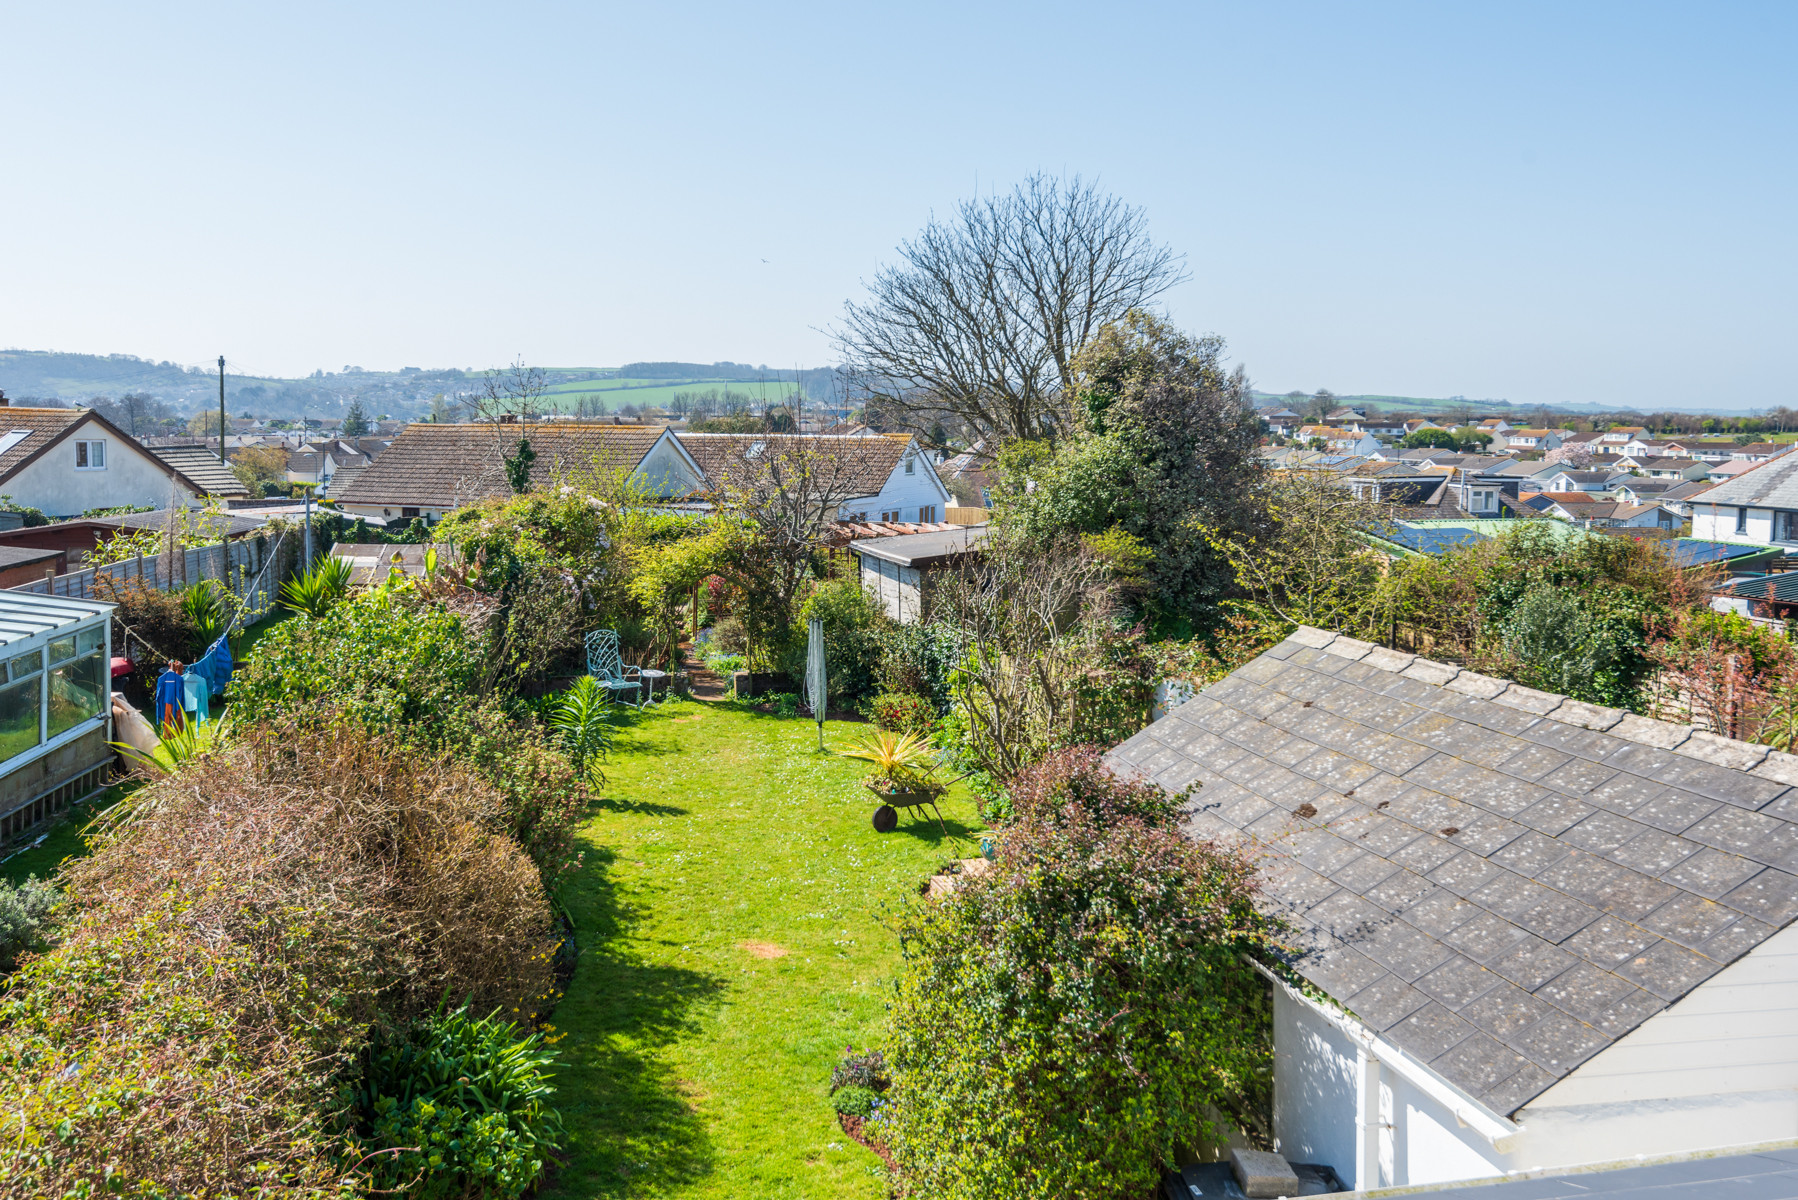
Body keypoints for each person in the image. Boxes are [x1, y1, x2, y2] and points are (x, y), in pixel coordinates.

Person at [153, 660, 186, 733]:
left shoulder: (163, 679)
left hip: (168, 702)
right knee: (171, 718)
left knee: (171, 718)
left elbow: (158, 695)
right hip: (171, 702)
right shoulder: (162, 679)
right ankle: (173, 732)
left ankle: (171, 733)